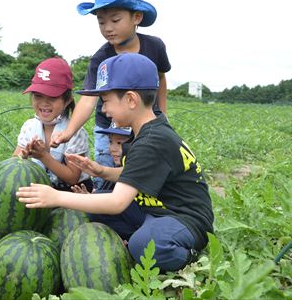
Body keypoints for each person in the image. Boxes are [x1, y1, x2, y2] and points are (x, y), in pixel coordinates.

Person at [17, 54, 213, 272]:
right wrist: (102, 171)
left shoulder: (152, 141)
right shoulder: (147, 131)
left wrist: (56, 196)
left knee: (145, 246)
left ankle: (189, 254)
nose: (103, 109)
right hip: (154, 210)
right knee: (93, 205)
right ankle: (142, 232)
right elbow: (138, 174)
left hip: (184, 219)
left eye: (106, 101)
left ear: (131, 99)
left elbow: (118, 203)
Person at [51, 0, 171, 189]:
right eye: (101, 22)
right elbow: (88, 100)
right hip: (110, 128)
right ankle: (103, 208)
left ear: (137, 17)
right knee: (106, 175)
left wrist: (162, 115)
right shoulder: (100, 59)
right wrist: (68, 132)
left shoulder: (155, 46)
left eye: (115, 20)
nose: (108, 28)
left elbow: (160, 79)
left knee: (145, 172)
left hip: (145, 125)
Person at [13, 57, 93, 191]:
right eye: (38, 96)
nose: (44, 103)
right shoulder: (29, 127)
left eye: (52, 97)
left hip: (73, 192)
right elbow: (15, 160)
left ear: (67, 101)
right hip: (42, 188)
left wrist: (44, 156)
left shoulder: (74, 132)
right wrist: (24, 156)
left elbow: (72, 177)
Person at [71, 122, 131, 194]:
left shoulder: (136, 172)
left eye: (119, 143)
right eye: (110, 141)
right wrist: (89, 197)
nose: (112, 149)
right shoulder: (114, 170)